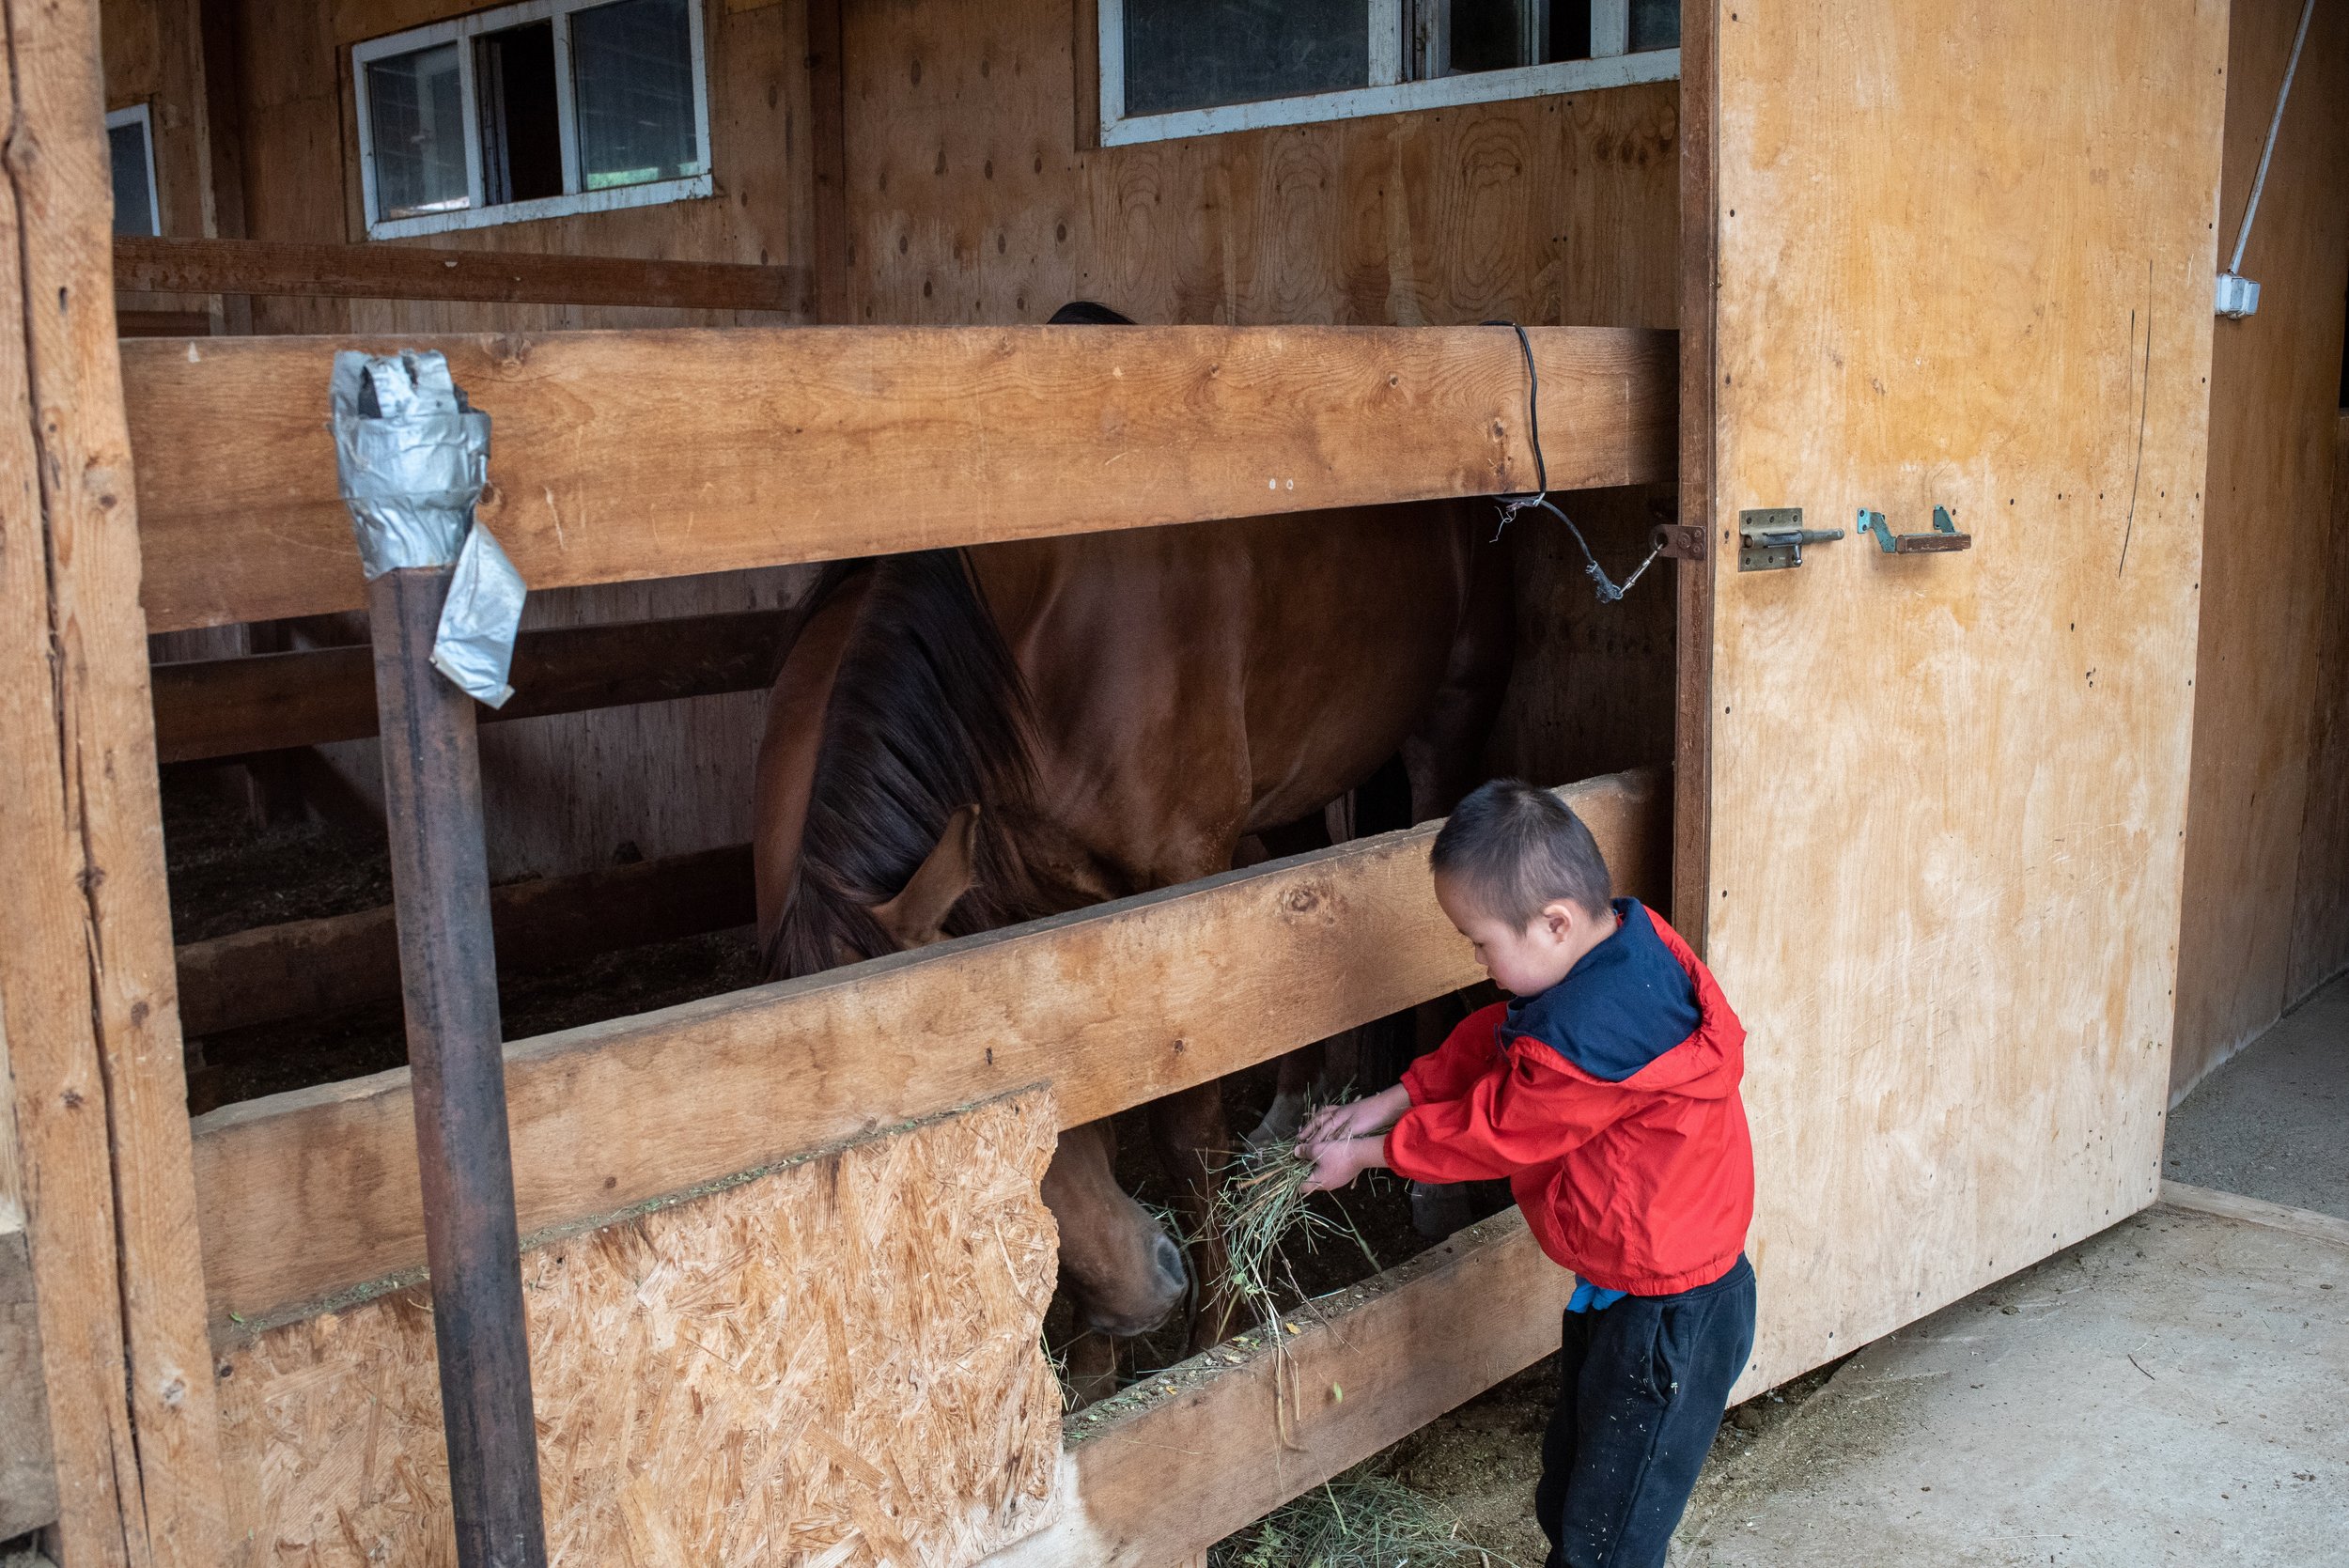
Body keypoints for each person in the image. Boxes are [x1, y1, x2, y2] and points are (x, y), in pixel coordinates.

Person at [1299, 778, 1755, 1568]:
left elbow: (1494, 1135)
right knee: (1576, 1495)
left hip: (1670, 1320)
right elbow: (1497, 1040)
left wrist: (1368, 1152)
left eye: (1479, 941)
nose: (1476, 959)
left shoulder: (1590, 1039)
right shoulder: (1610, 956)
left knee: (1604, 1540)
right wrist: (1390, 1096)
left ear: (1554, 922)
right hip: (1626, 1291)